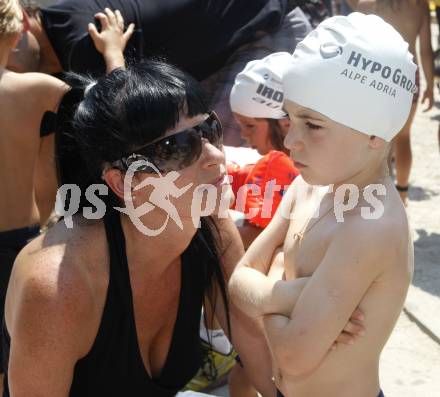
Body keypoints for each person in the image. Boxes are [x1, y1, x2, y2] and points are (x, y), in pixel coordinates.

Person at [2, 59, 280, 397]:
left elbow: (267, 365)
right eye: (176, 147)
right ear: (123, 182)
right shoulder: (59, 286)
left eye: (210, 129)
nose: (215, 156)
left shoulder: (211, 226)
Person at [229, 12, 415, 397]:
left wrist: (273, 275)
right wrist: (284, 296)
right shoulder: (307, 186)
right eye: (291, 119)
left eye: (312, 125)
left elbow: (293, 355)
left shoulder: (371, 224)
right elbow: (235, 282)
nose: (291, 140)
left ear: (374, 132)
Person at [0, 1, 134, 392]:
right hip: (15, 248)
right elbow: (117, 109)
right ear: (22, 25)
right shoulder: (34, 89)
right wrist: (113, 53)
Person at [9, 0, 314, 145]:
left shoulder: (85, 40)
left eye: (5, 54)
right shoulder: (62, 26)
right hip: (219, 54)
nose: (5, 71)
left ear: (21, 22)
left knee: (222, 152)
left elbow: (130, 117)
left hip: (264, 30)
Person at [350, 0, 434, 204]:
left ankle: (379, 196)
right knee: (404, 137)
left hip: (378, 76)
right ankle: (402, 195)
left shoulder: (368, 6)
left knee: (380, 140)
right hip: (407, 76)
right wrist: (431, 86)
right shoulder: (419, 6)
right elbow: (425, 50)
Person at [228, 52, 300, 248]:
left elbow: (255, 238)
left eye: (250, 126)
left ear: (285, 122)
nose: (243, 135)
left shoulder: (277, 164)